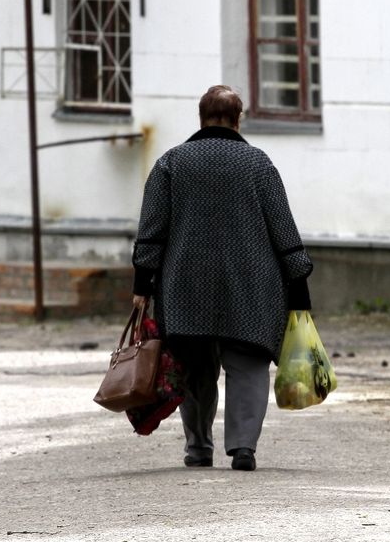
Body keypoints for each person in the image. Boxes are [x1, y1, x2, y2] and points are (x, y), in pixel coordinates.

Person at [131, 85, 313, 472]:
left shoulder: (170, 163)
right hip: (251, 285)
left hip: (185, 286)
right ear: (239, 118)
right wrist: (299, 290)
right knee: (247, 364)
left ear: (200, 118)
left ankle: (199, 447)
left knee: (194, 367)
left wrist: (141, 285)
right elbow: (284, 230)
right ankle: (243, 448)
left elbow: (152, 229)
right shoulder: (258, 164)